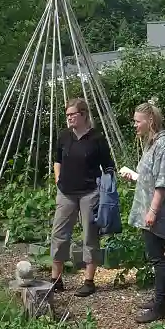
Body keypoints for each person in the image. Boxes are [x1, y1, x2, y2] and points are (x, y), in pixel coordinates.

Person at [50, 97, 115, 297]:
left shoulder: (96, 139)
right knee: (59, 233)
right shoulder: (64, 137)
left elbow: (109, 166)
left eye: (72, 114)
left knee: (89, 235)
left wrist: (106, 188)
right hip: (66, 192)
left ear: (84, 114)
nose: (69, 118)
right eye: (67, 115)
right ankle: (56, 279)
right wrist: (58, 178)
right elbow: (57, 159)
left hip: (89, 192)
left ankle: (89, 280)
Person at [123, 100, 165, 323]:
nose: (134, 125)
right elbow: (150, 177)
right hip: (148, 210)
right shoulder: (151, 144)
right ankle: (157, 299)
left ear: (150, 121)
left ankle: (160, 307)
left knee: (159, 259)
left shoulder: (163, 146)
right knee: (155, 257)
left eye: (137, 121)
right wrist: (135, 176)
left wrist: (153, 211)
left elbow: (162, 183)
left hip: (157, 213)